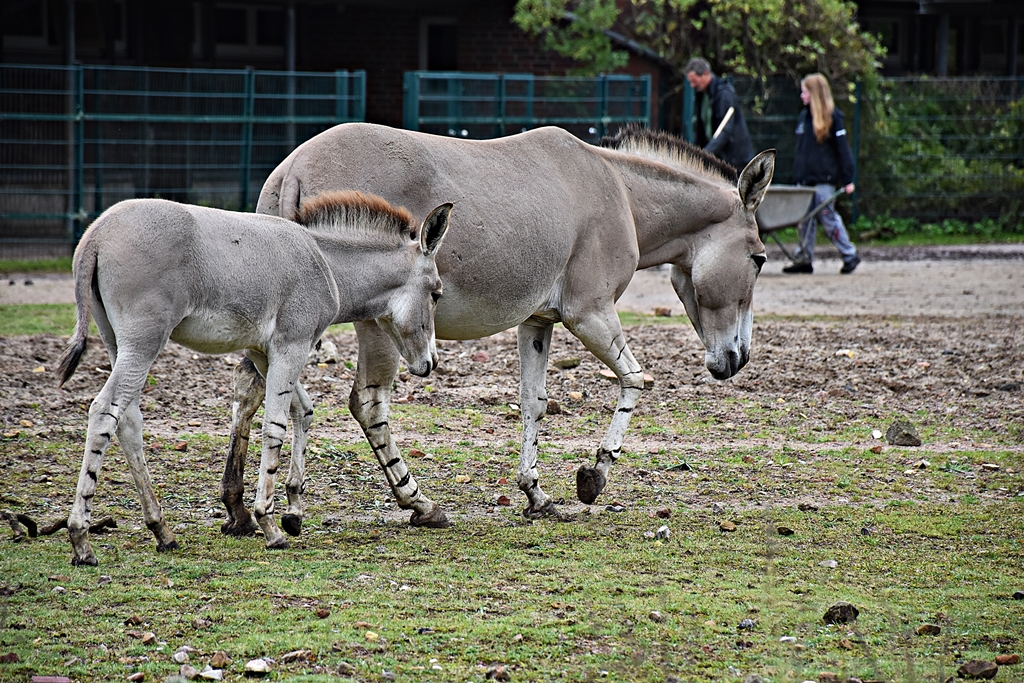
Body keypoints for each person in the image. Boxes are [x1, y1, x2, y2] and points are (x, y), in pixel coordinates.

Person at [783, 73, 861, 275]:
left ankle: (849, 253)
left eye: (804, 92)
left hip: (823, 180)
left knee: (828, 218)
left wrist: (848, 179)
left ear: (815, 94)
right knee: (804, 221)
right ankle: (804, 258)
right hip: (805, 180)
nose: (801, 96)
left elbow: (843, 150)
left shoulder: (833, 118)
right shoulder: (804, 118)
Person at [684, 58, 755, 171]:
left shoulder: (724, 94)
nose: (692, 85)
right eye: (690, 82)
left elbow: (725, 131)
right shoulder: (702, 95)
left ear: (705, 74)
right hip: (719, 159)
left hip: (736, 161)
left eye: (694, 81)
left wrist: (705, 154)